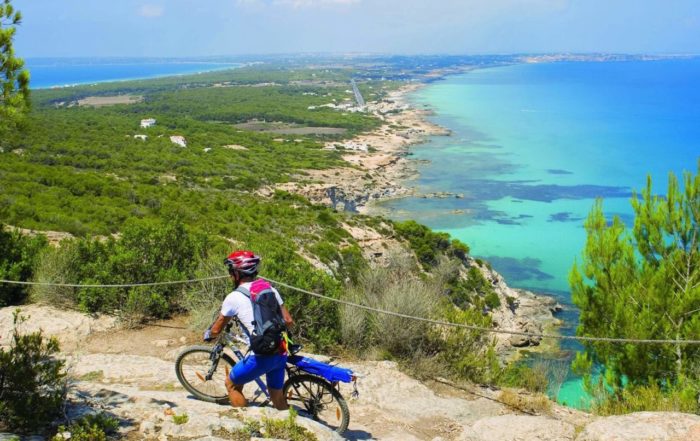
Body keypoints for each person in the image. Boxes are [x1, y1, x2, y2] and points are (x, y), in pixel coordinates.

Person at [203, 250, 294, 410]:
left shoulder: (233, 298)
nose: (230, 275)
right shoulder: (270, 289)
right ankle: (290, 427)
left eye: (231, 271)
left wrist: (209, 334)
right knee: (276, 395)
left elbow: (217, 329)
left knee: (231, 384)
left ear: (237, 273)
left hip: (260, 357)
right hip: (280, 351)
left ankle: (247, 424)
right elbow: (288, 321)